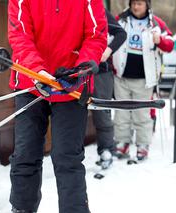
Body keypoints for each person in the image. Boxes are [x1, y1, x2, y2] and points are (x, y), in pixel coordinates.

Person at [8, 1, 107, 212]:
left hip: (71, 86)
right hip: (30, 83)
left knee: (67, 158)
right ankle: (21, 208)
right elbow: (20, 35)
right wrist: (37, 70)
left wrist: (79, 70)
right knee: (26, 154)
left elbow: (96, 35)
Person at [112, 0, 174, 161]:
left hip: (144, 78)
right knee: (121, 113)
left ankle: (142, 145)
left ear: (147, 5)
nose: (135, 6)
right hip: (121, 75)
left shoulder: (156, 23)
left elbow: (170, 44)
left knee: (142, 114)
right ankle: (122, 143)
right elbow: (105, 37)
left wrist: (160, 40)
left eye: (139, 3)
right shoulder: (120, 19)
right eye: (133, 3)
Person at [92, 8, 127, 170]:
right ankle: (71, 154)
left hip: (101, 72)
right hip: (73, 72)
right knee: (71, 114)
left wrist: (108, 51)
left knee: (102, 112)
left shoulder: (99, 10)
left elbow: (121, 33)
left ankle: (106, 150)